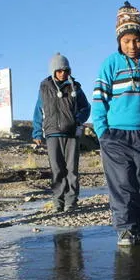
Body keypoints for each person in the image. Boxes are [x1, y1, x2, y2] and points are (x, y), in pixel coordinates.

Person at [91, 1, 140, 246]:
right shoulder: (110, 64)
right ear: (119, 42)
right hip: (116, 137)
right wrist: (102, 132)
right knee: (123, 185)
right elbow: (99, 100)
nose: (132, 46)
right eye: (126, 41)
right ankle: (125, 230)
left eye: (137, 40)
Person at [32, 53, 91, 212]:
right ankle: (58, 202)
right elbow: (38, 110)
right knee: (57, 169)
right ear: (53, 71)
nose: (63, 73)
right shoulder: (44, 87)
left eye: (66, 70)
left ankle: (71, 201)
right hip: (52, 134)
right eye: (59, 70)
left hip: (71, 134)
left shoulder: (75, 87)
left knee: (71, 170)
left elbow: (86, 107)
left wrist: (77, 120)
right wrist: (37, 132)